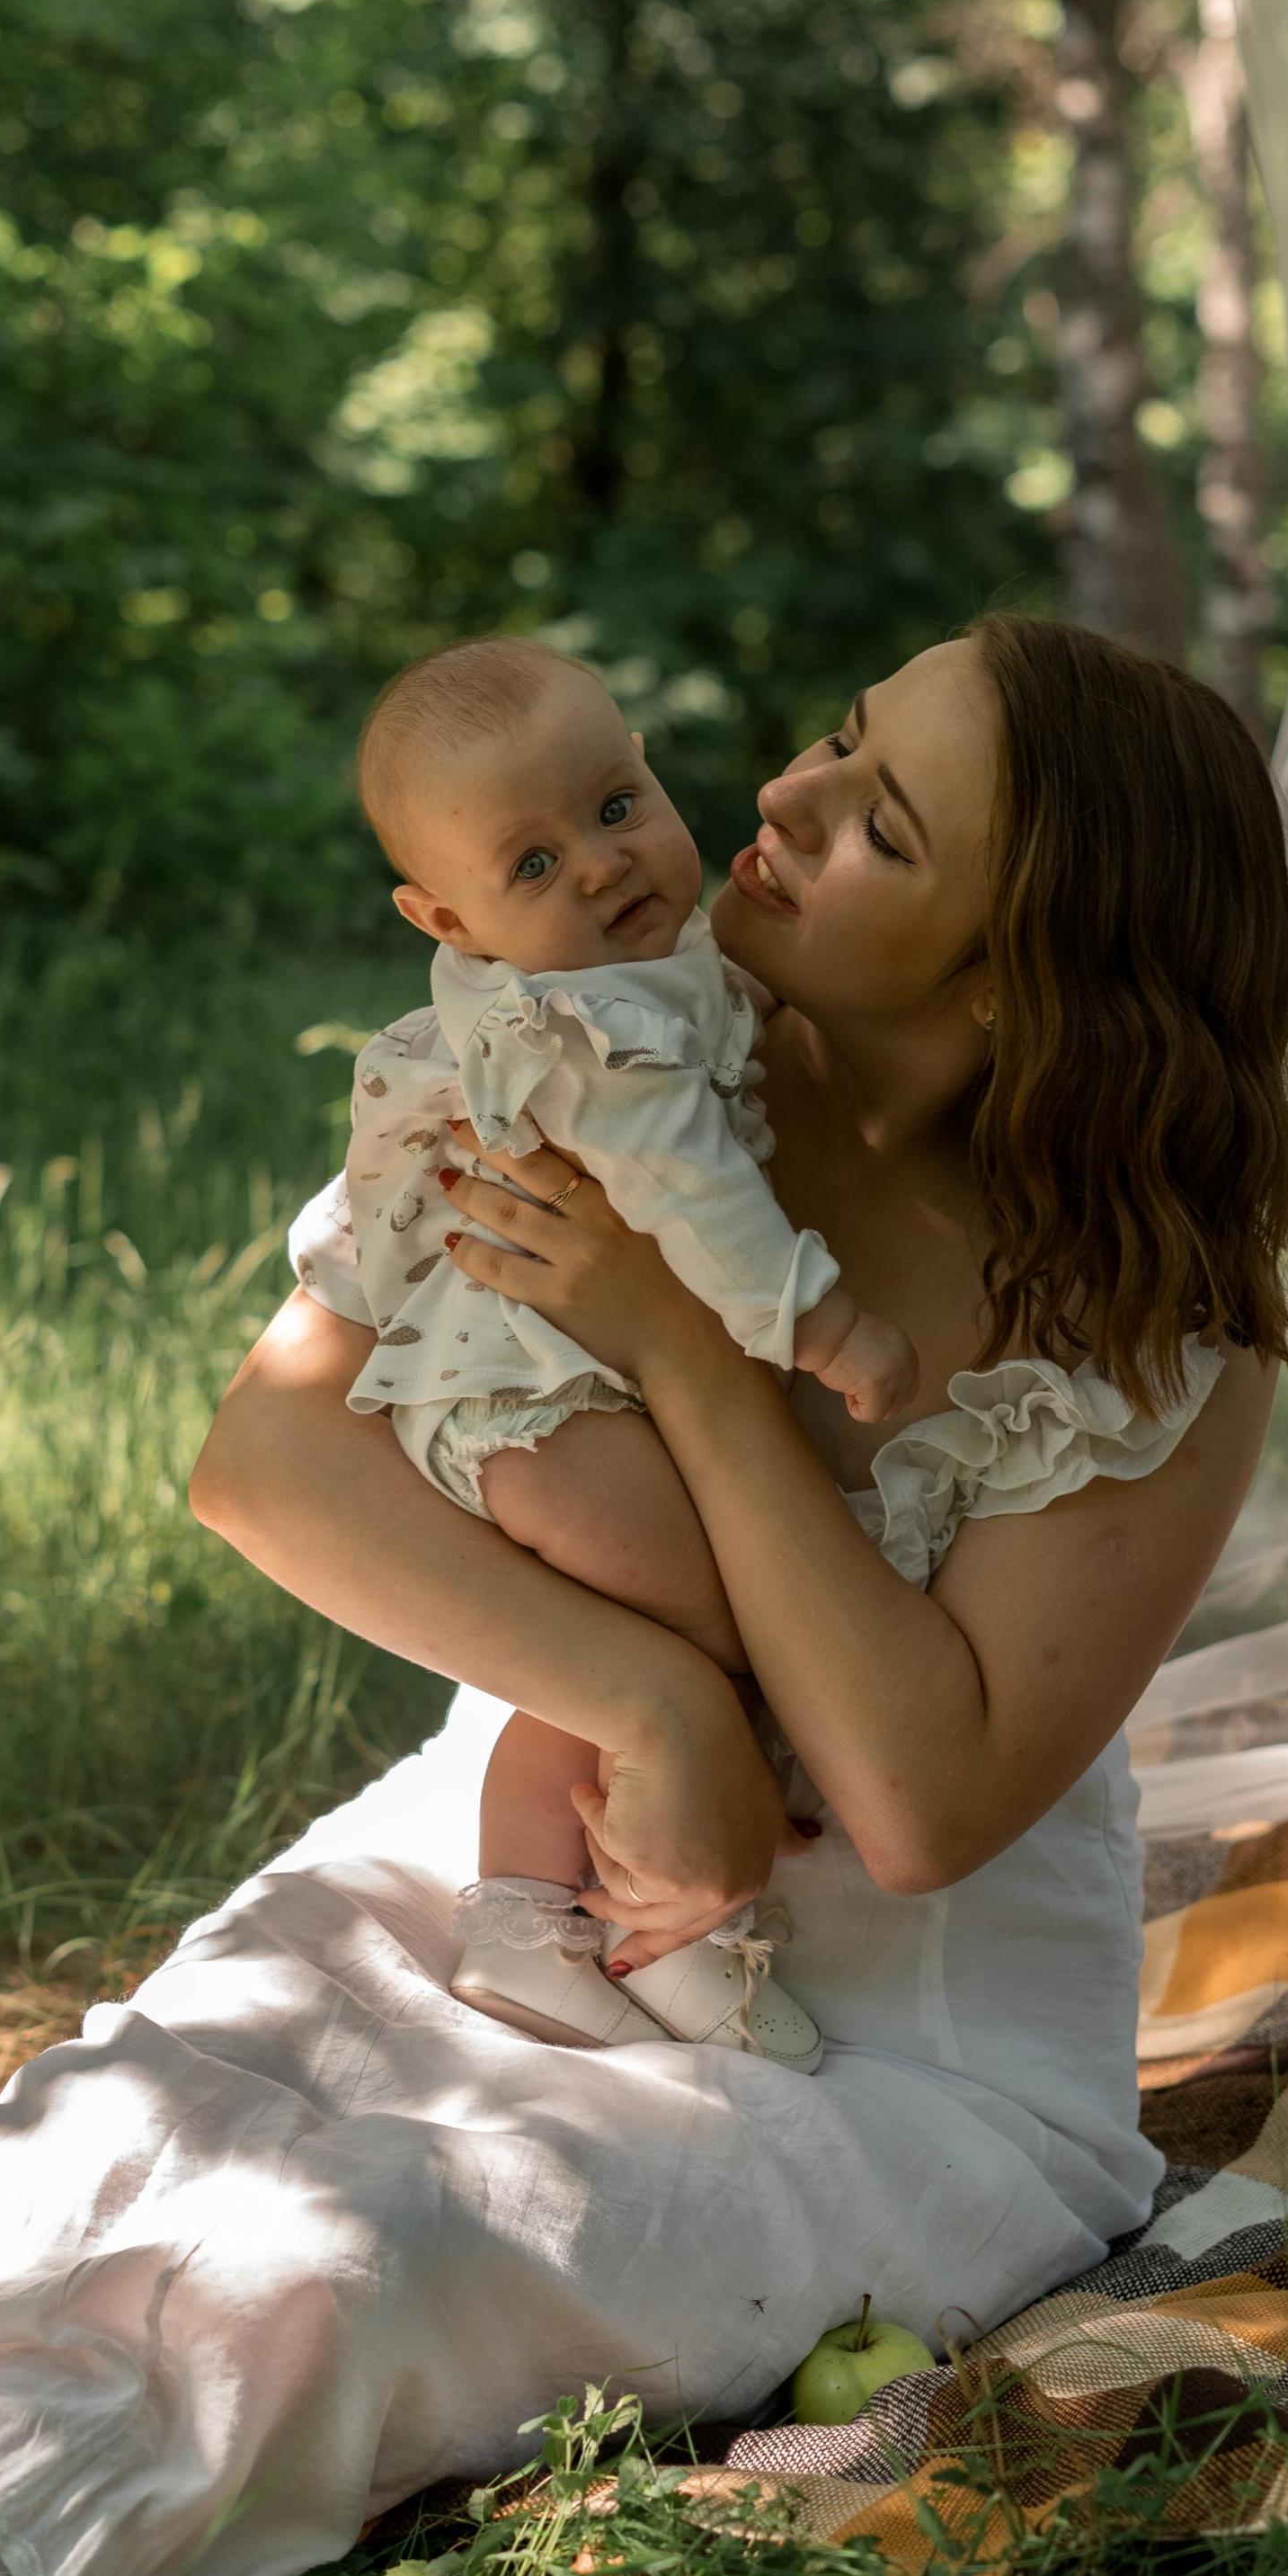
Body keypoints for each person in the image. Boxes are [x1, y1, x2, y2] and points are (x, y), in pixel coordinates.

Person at [0, 614, 1288, 2576]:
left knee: (350, 2254)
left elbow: (911, 1801)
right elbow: (269, 1459)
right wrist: (656, 1705)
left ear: (1010, 975)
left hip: (886, 2050)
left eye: (875, 822)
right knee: (64, 2163)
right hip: (499, 1845)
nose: (774, 799)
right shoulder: (591, 1040)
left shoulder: (1155, 1315)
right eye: (833, 738)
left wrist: (683, 1350)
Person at [329, 634, 918, 2069]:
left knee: (640, 1656)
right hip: (544, 1405)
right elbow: (697, 1202)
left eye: (611, 807)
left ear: (651, 769)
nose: (598, 868)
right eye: (529, 866)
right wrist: (822, 1320)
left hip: (533, 1390)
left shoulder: (623, 975)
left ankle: (565, 1921)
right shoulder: (588, 1027)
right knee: (703, 1649)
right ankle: (625, 1927)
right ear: (444, 913)